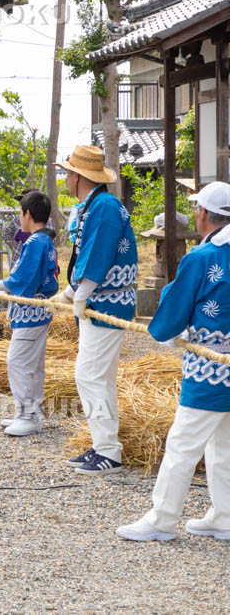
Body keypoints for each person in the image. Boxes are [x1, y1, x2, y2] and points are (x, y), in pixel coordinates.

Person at [116, 182, 230, 542]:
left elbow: (175, 309)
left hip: (210, 366)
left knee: (183, 442)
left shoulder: (202, 257)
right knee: (223, 443)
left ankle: (163, 518)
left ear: (202, 215)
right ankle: (224, 515)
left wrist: (162, 330)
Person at [52, 145, 137, 475]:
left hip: (105, 301)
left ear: (77, 177)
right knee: (98, 375)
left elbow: (96, 260)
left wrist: (74, 294)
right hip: (102, 300)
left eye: (68, 174)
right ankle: (103, 444)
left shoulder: (102, 208)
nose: (66, 179)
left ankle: (108, 451)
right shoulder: (96, 205)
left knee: (89, 374)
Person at [0, 191, 59, 437]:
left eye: (21, 213)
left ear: (28, 214)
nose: (20, 218)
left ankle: (28, 415)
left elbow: (22, 278)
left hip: (31, 311)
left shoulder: (36, 242)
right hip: (38, 309)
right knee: (32, 363)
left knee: (18, 362)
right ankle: (30, 411)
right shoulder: (46, 240)